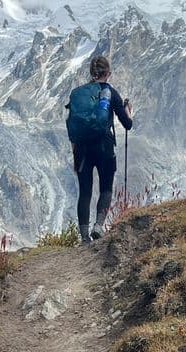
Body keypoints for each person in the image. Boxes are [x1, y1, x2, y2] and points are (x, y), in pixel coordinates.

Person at [69, 55, 132, 243]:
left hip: (81, 149)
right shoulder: (110, 93)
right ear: (108, 73)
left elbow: (72, 127)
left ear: (91, 73)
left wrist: (75, 155)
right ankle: (98, 226)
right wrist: (128, 109)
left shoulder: (78, 94)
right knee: (105, 188)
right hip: (104, 146)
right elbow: (127, 124)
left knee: (85, 192)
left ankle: (84, 237)